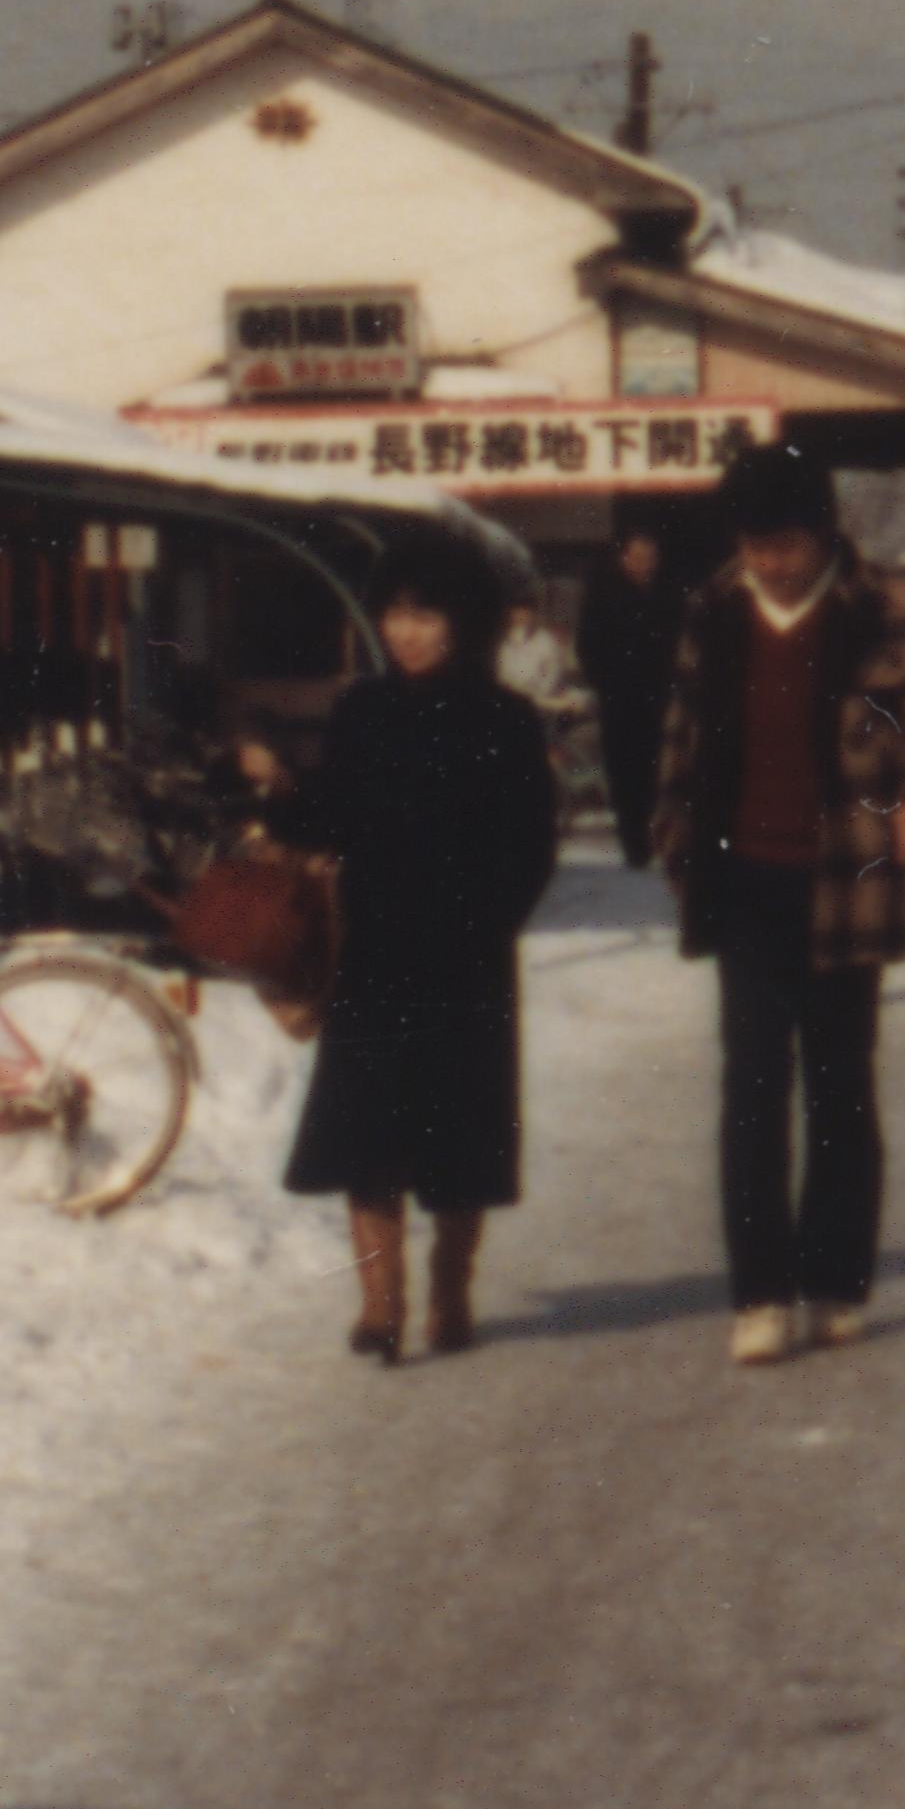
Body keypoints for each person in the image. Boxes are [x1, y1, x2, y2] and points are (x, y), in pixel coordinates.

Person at [644, 444, 905, 1367]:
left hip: (848, 877)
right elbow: (682, 734)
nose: (770, 563)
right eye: (755, 545)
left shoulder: (889, 608)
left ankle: (833, 1280)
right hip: (743, 876)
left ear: (824, 534)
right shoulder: (714, 609)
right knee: (750, 1086)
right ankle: (759, 1293)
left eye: (785, 545)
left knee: (839, 1084)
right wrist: (673, 833)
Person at [268, 522, 564, 1366]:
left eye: (426, 615)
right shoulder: (362, 712)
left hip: (468, 959)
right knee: (368, 1140)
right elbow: (327, 816)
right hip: (375, 952)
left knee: (458, 1143)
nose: (406, 632)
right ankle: (380, 1306)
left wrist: (490, 918)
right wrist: (279, 793)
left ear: (464, 621)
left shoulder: (507, 721)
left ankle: (450, 1289)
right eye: (394, 613)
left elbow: (532, 846)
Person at [575, 517, 690, 870]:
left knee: (658, 768)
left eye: (650, 558)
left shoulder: (670, 594)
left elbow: (681, 645)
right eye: (638, 558)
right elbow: (586, 644)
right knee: (624, 771)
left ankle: (659, 840)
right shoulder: (602, 593)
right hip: (619, 698)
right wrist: (605, 683)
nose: (645, 565)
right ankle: (633, 845)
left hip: (660, 697)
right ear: (624, 558)